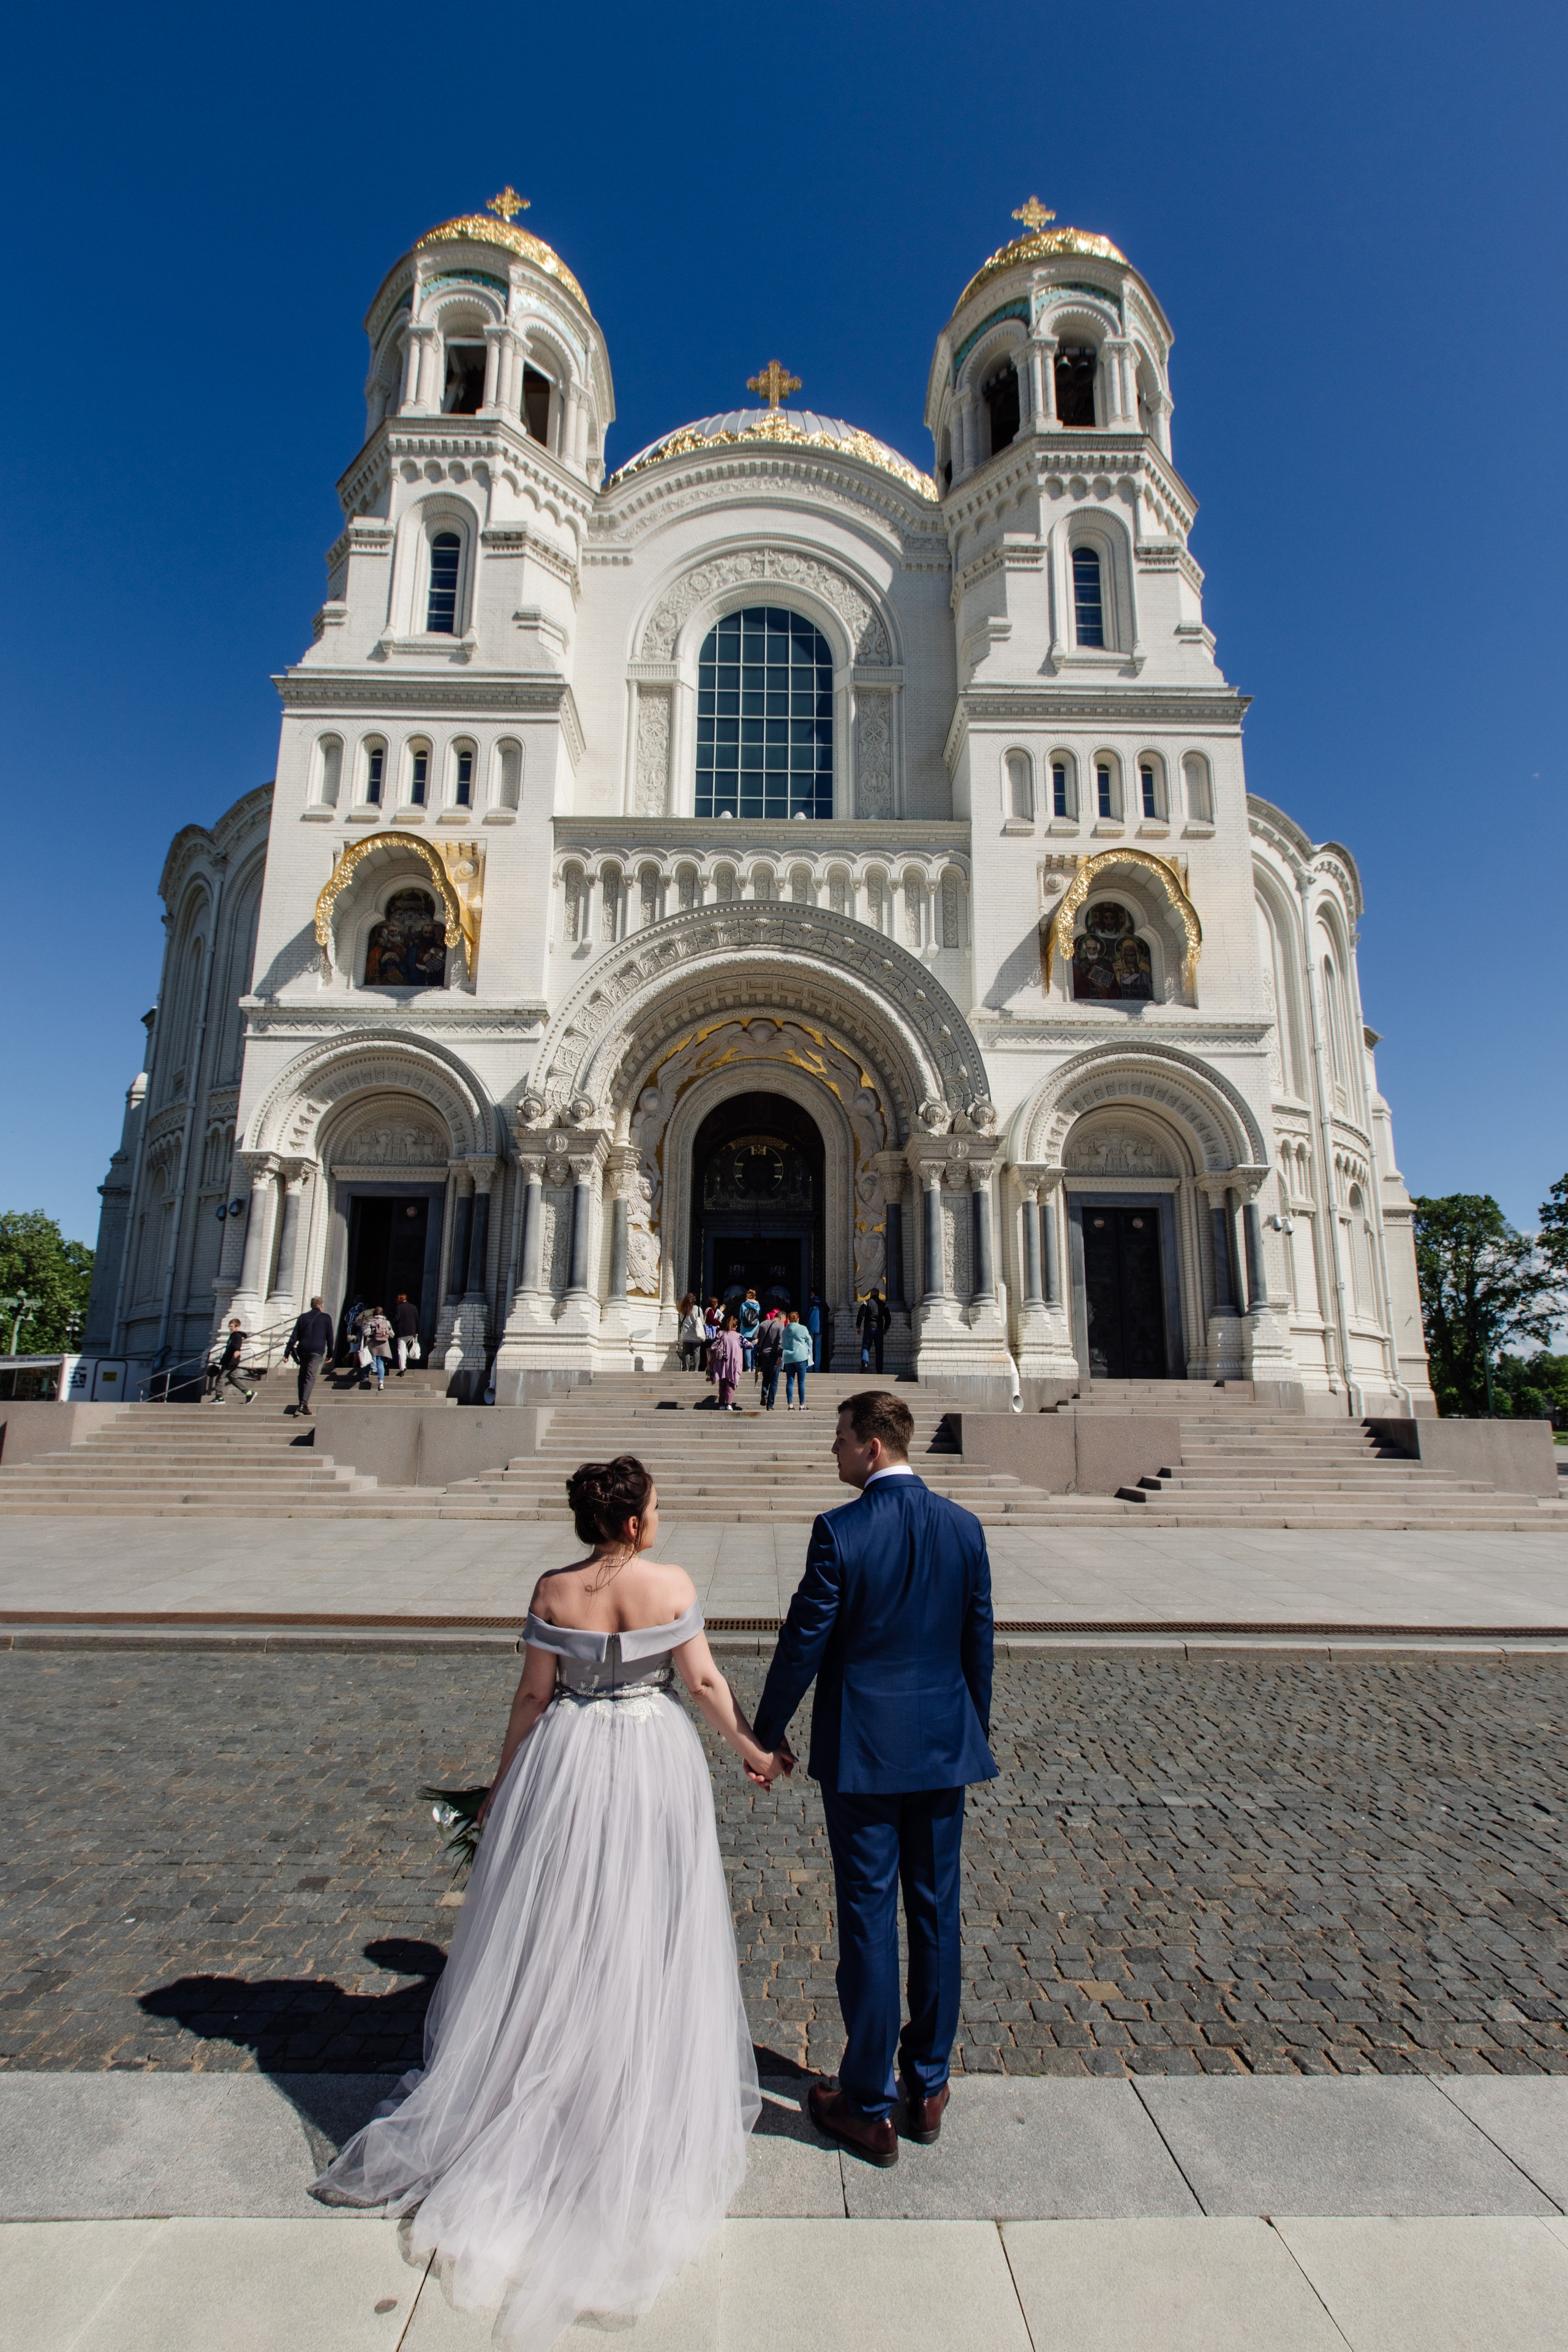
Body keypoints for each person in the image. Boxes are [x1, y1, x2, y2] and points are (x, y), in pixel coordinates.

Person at [314, 1454, 791, 2342]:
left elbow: (533, 1695)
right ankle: (626, 2080)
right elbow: (703, 1684)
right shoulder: (673, 1582)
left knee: (557, 1923)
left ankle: (546, 2080)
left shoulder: (552, 1589)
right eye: (657, 1502)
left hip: (567, 1762)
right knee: (647, 1920)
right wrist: (754, 1753)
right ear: (639, 1522)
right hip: (652, 1758)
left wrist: (501, 1788)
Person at [751, 1390, 995, 2167]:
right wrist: (969, 1732)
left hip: (863, 1754)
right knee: (934, 1912)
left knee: (867, 1916)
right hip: (942, 1748)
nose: (833, 1453)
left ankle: (865, 2102)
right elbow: (977, 1643)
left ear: (873, 1448)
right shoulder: (964, 1528)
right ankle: (926, 2085)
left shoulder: (841, 1530)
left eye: (840, 1441)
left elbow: (803, 1641)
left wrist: (768, 1729)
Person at [283, 1295, 335, 1417]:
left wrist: (286, 1353)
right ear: (321, 1306)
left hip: (303, 1350)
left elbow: (294, 1336)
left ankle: (302, 1402)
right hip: (316, 1351)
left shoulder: (303, 1317)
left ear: (312, 1305)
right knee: (310, 1377)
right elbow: (330, 1337)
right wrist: (330, 1353)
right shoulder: (326, 1318)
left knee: (302, 1376)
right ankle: (303, 1404)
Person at [205, 1320, 255, 1404]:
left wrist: (237, 1351)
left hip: (231, 1362)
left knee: (220, 1379)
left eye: (232, 1326)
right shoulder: (233, 1336)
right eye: (230, 1326)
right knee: (234, 1379)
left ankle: (219, 1397)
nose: (230, 1328)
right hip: (228, 1361)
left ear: (237, 1327)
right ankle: (249, 1393)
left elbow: (237, 1345)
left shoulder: (237, 1336)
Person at [709, 1313, 743, 1412]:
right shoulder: (739, 1336)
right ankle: (729, 1404)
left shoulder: (720, 1334)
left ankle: (722, 1404)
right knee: (731, 1383)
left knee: (722, 1383)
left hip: (721, 1362)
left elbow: (713, 1347)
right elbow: (749, 1345)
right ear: (736, 1326)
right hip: (733, 1363)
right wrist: (757, 1340)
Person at [781, 1309, 812, 1409]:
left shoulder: (785, 1331)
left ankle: (790, 1404)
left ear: (789, 1319)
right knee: (801, 1382)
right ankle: (802, 1405)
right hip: (801, 1358)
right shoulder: (803, 1328)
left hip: (789, 1358)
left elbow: (783, 1345)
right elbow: (809, 1340)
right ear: (798, 1319)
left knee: (790, 1381)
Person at [755, 1308, 784, 1411]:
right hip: (775, 1355)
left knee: (765, 1377)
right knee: (774, 1381)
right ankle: (770, 1405)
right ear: (781, 1318)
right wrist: (780, 1357)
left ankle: (764, 1394)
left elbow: (755, 1336)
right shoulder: (780, 1326)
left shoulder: (763, 1323)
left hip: (764, 1355)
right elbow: (781, 1342)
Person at [856, 1290, 891, 1374]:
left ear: (871, 1294)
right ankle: (879, 1370)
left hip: (869, 1327)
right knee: (879, 1350)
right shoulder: (883, 1305)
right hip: (879, 1329)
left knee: (865, 1347)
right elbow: (888, 1318)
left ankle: (865, 1364)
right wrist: (886, 1328)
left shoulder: (866, 1303)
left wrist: (858, 1326)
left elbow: (861, 1314)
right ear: (879, 1294)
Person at [365, 1306, 394, 1393]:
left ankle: (366, 1377)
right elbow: (392, 1335)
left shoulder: (371, 1321)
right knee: (380, 1362)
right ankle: (381, 1383)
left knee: (368, 1360)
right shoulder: (387, 1323)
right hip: (383, 1345)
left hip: (372, 1344)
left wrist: (372, 1332)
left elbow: (365, 1333)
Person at [392, 1292, 420, 1375]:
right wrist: (417, 1332)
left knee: (401, 1349)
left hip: (402, 1332)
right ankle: (405, 1364)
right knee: (406, 1348)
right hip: (412, 1331)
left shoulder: (400, 1307)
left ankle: (402, 1368)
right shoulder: (414, 1307)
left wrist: (392, 1320)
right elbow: (417, 1320)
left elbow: (397, 1318)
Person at [677, 1292, 704, 1373]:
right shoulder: (698, 1309)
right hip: (696, 1334)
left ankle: (686, 1369)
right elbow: (702, 1322)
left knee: (687, 1352)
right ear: (694, 1300)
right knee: (696, 1352)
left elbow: (681, 1320)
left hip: (686, 1334)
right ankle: (696, 1369)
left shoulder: (683, 1308)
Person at [738, 1287, 761, 1371]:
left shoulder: (743, 1305)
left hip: (745, 1329)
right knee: (754, 1347)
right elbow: (758, 1316)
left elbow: (741, 1317)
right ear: (755, 1297)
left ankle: (748, 1367)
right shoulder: (758, 1305)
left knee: (747, 1348)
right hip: (755, 1329)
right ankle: (754, 1366)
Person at [805, 1290, 823, 1371]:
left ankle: (810, 1367)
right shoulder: (822, 1303)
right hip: (819, 1328)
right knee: (818, 1349)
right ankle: (817, 1368)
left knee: (810, 1348)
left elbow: (805, 1312)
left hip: (810, 1327)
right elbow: (828, 1310)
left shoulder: (809, 1302)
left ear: (813, 1293)